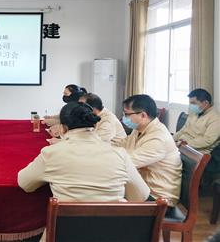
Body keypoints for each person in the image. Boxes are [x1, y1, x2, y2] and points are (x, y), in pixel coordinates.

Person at [19, 103, 149, 241]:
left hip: (67, 234)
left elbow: (25, 183)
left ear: (62, 128)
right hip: (114, 234)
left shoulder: (51, 153)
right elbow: (140, 196)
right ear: (94, 125)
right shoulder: (119, 154)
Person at [115, 94, 182, 208]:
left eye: (127, 114)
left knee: (105, 195)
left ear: (143, 115)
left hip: (157, 198)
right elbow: (122, 144)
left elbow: (127, 164)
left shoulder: (158, 138)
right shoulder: (139, 129)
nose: (123, 118)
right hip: (142, 187)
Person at [174, 88, 220, 154]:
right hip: (182, 146)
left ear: (206, 103)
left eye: (193, 103)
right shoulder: (194, 113)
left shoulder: (216, 119)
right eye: (190, 103)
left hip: (196, 152)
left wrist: (183, 144)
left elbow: (207, 140)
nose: (191, 106)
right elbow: (183, 130)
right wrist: (170, 140)